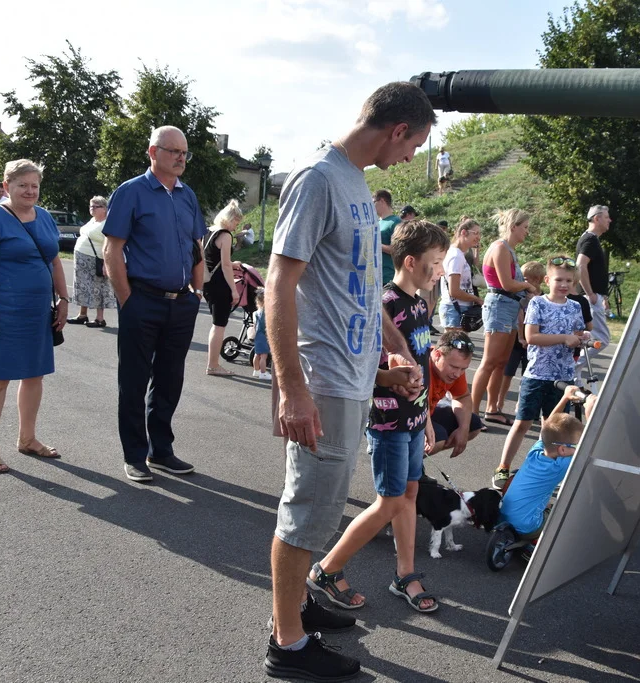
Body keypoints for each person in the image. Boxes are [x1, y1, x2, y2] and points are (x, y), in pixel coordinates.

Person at [264, 81, 435, 683]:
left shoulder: (357, 183)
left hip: (353, 374)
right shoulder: (317, 177)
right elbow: (278, 285)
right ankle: (287, 646)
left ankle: (301, 608)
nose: (413, 157)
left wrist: (396, 353)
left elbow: (361, 287)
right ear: (397, 130)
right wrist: (293, 389)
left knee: (324, 506)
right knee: (306, 509)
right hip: (324, 378)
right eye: (415, 144)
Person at [307, 219, 448, 617]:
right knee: (388, 503)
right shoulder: (382, 304)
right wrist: (391, 379)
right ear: (409, 261)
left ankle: (405, 574)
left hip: (414, 420)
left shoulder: (420, 304)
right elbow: (360, 367)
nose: (440, 271)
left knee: (410, 495)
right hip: (387, 422)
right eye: (435, 262)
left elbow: (420, 364)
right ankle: (327, 569)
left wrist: (427, 416)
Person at [102, 125, 208, 483]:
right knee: (133, 380)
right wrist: (126, 299)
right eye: (173, 151)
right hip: (142, 300)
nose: (181, 158)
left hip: (180, 304)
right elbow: (111, 249)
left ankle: (161, 451)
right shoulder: (131, 192)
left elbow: (196, 248)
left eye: (184, 153)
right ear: (153, 152)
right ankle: (135, 455)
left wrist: (197, 292)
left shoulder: (187, 195)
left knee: (169, 381)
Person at [0, 159, 70, 474]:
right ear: (7, 185)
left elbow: (54, 261)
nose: (29, 191)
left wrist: (63, 299)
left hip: (36, 313)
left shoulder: (46, 217)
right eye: (22, 185)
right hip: (0, 311)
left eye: (34, 185)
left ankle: (27, 438)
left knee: (34, 376)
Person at [492, 255, 587, 489]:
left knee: (553, 427)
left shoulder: (575, 306)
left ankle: (548, 470)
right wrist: (564, 338)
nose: (563, 285)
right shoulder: (537, 303)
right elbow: (531, 337)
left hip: (563, 378)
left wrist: (583, 338)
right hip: (536, 375)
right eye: (558, 280)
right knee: (523, 423)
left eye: (568, 280)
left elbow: (578, 333)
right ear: (547, 279)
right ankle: (503, 467)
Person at [470, 208, 540, 426]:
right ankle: (472, 413)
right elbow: (507, 284)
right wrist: (528, 285)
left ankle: (493, 409)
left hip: (509, 307)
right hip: (499, 305)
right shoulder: (500, 248)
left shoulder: (508, 249)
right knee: (490, 361)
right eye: (525, 227)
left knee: (501, 362)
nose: (527, 232)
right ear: (513, 227)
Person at [498, 387, 596, 536]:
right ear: (562, 450)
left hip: (503, 517)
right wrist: (591, 413)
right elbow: (593, 444)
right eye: (577, 445)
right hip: (527, 526)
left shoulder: (536, 451)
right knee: (565, 519)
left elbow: (548, 425)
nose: (579, 447)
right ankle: (537, 539)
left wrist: (565, 397)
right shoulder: (561, 465)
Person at [489, 260, 545, 419]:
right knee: (507, 373)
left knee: (528, 376)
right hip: (517, 340)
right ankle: (499, 402)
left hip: (532, 342)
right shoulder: (519, 294)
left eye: (528, 279)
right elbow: (520, 318)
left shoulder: (541, 298)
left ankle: (523, 405)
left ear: (537, 280)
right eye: (523, 278)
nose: (524, 282)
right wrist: (521, 337)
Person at [202, 199, 244, 376]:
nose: (235, 227)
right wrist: (234, 291)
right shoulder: (225, 235)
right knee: (219, 325)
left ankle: (213, 363)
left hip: (207, 282)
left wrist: (232, 263)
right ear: (230, 218)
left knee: (217, 324)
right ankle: (213, 365)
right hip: (220, 285)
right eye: (236, 222)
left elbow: (213, 259)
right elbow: (225, 266)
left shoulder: (208, 232)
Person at [426, 330, 484, 456]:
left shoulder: (455, 372)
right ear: (437, 355)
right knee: (438, 437)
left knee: (473, 424)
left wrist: (463, 428)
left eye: (463, 369)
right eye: (454, 367)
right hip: (404, 418)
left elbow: (462, 396)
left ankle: (414, 465)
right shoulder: (421, 366)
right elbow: (412, 409)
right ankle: (406, 469)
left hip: (427, 412)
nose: (458, 374)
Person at [68, 196, 114, 328]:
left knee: (98, 288)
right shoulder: (93, 221)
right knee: (83, 286)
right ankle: (82, 315)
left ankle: (100, 319)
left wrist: (106, 264)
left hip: (96, 260)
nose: (91, 209)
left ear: (104, 208)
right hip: (82, 260)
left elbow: (110, 246)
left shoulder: (107, 223)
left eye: (95, 206)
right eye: (90, 206)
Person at [576, 204, 612, 350]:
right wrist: (590, 294)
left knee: (587, 338)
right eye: (606, 217)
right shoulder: (590, 240)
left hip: (593, 296)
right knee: (601, 340)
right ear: (596, 219)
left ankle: (574, 371)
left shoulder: (590, 239)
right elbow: (580, 265)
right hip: (590, 297)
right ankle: (572, 368)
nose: (610, 220)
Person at [439, 218, 482, 331]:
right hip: (455, 308)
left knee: (457, 347)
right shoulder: (456, 256)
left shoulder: (458, 254)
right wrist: (477, 299)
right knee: (453, 347)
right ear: (463, 232)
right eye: (475, 233)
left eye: (479, 233)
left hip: (458, 308)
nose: (478, 237)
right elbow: (454, 291)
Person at [374, 189, 400, 285]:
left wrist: (377, 245)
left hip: (388, 277)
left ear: (382, 201)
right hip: (375, 277)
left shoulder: (395, 222)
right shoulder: (376, 222)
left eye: (373, 202)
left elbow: (399, 250)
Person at [252, 289, 271, 381]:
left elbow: (254, 325)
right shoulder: (266, 313)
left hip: (257, 335)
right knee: (264, 356)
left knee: (257, 354)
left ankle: (256, 370)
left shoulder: (255, 313)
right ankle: (263, 373)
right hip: (263, 335)